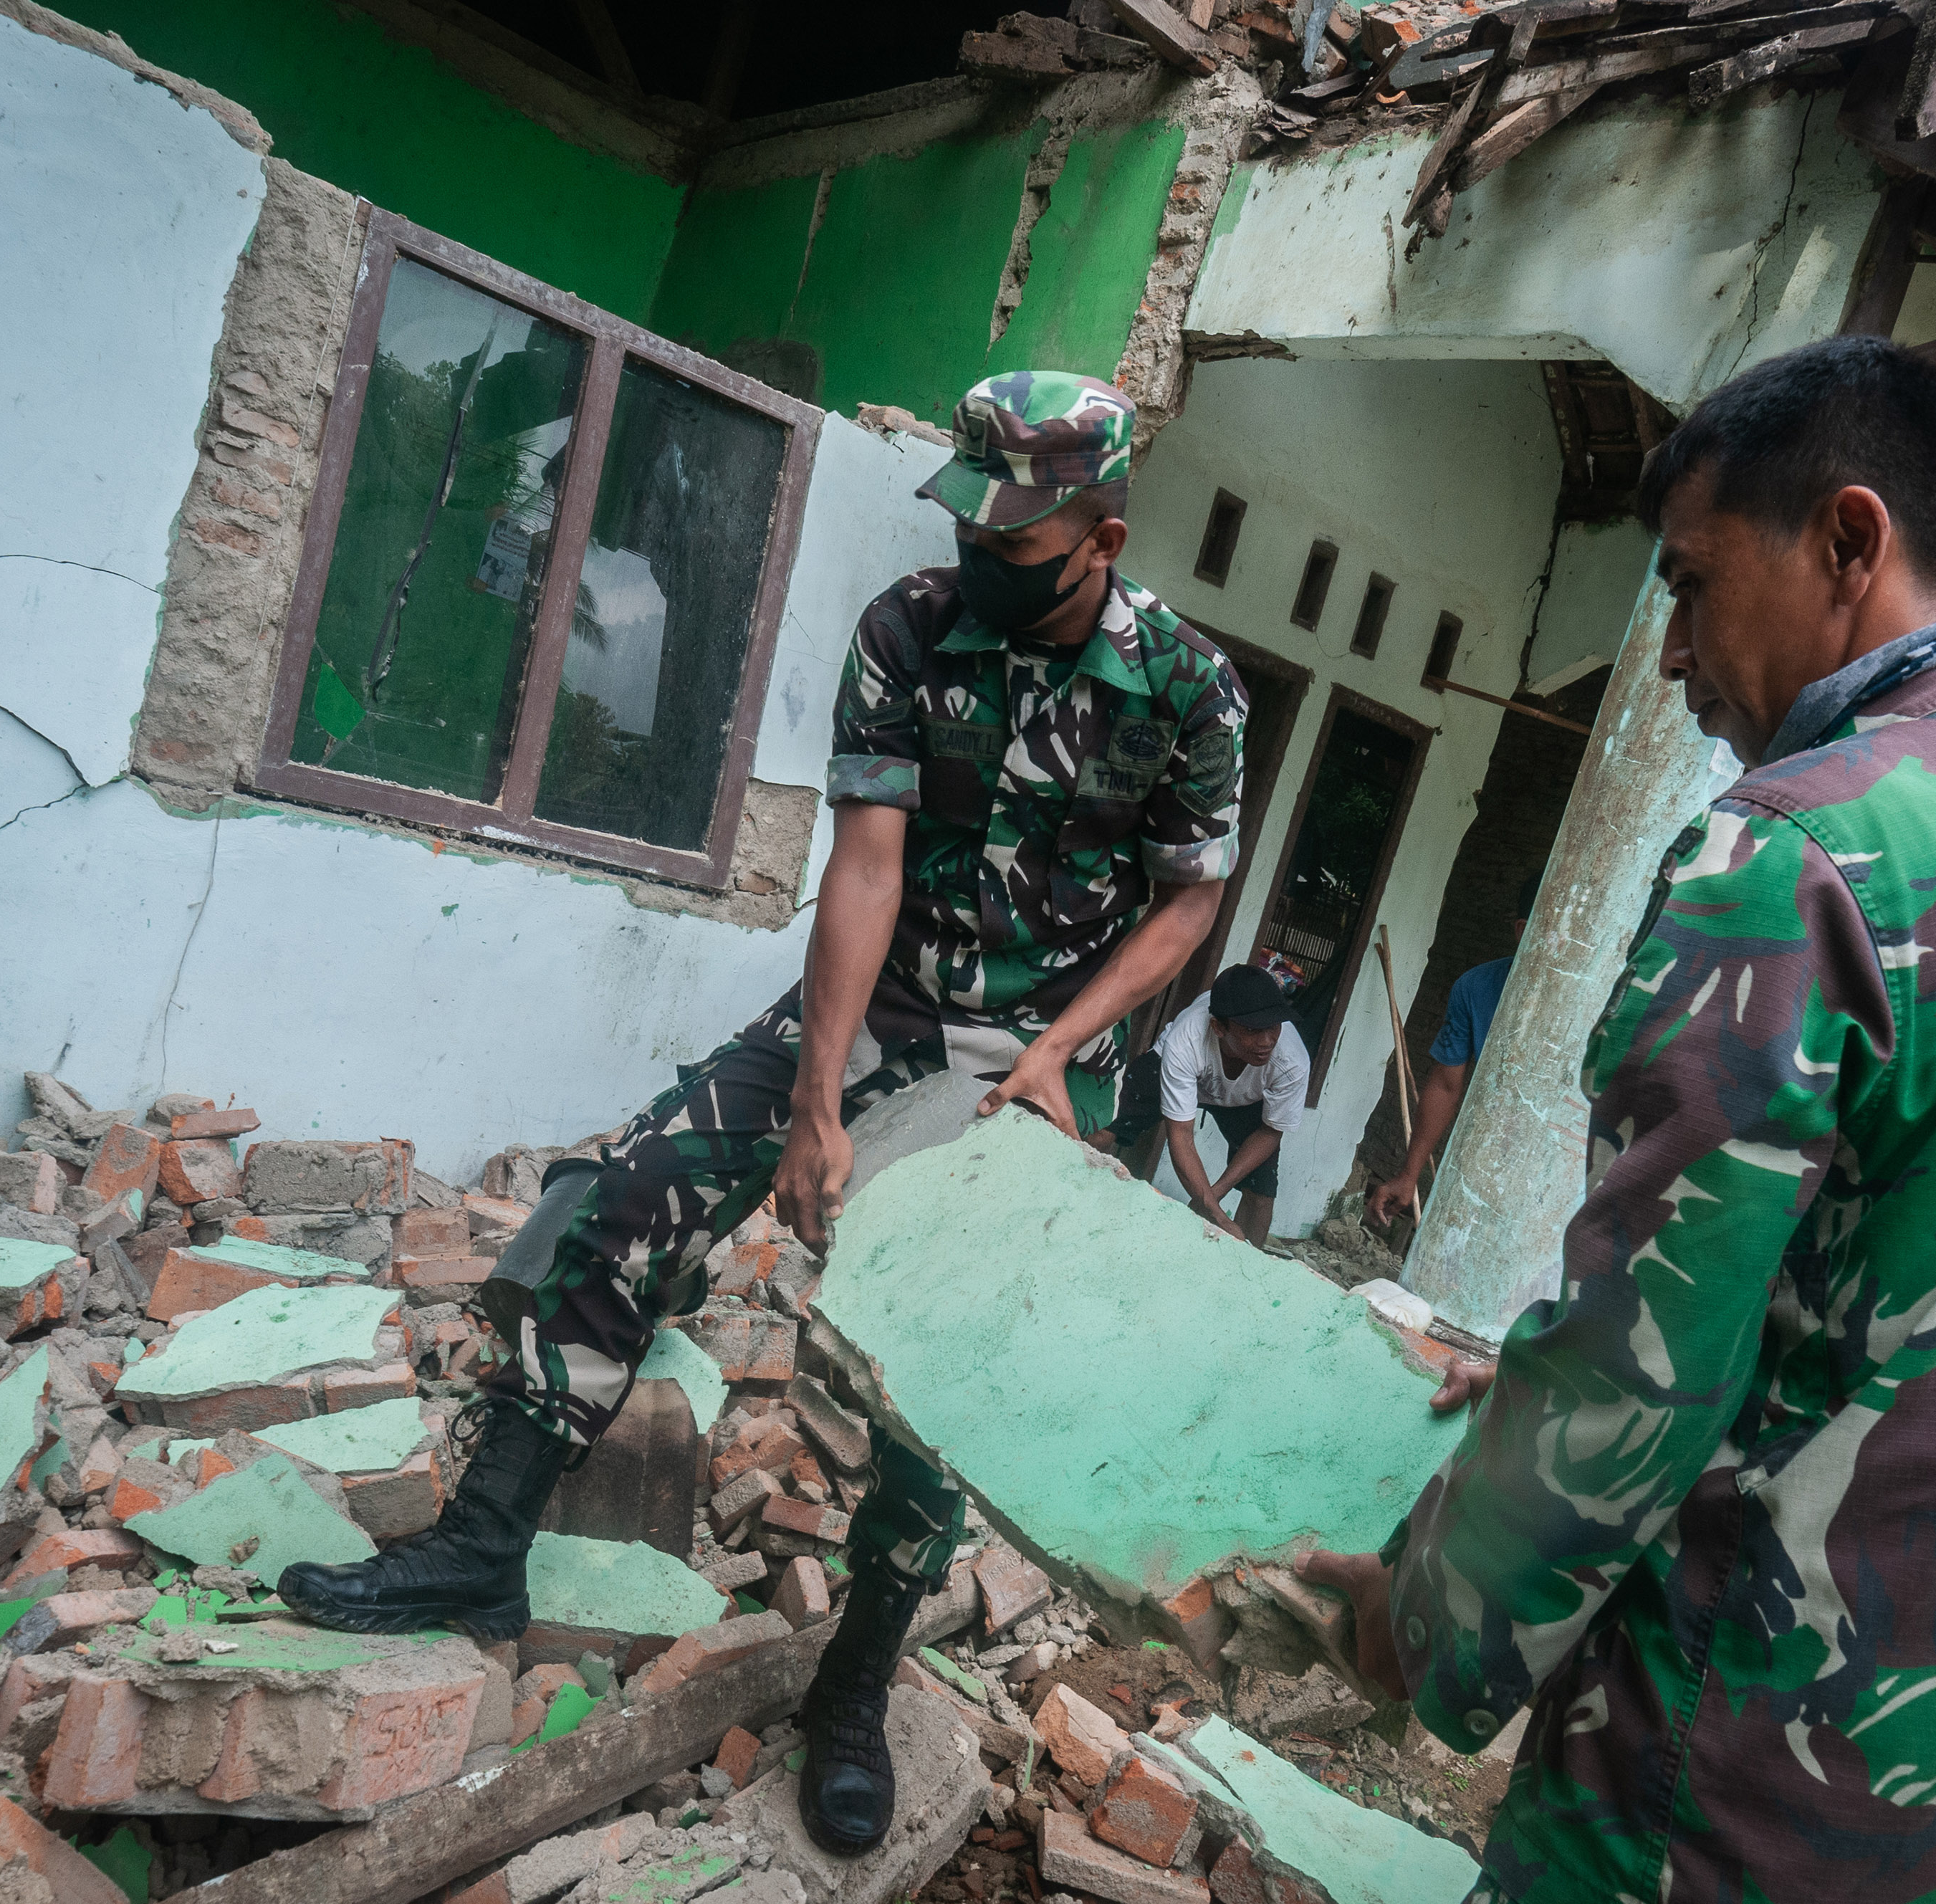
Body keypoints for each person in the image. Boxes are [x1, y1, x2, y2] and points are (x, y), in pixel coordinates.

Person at [1298, 336, 1936, 1900]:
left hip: (1743, 1768)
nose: (1666, 652)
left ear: (1848, 542)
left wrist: (1416, 1619)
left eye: (1686, 582)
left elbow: (1636, 1364)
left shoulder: (1797, 851)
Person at [274, 370, 1247, 1857]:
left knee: (938, 1375)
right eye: (969, 537)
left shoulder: (1190, 690)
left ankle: (851, 1684)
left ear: (1102, 534)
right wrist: (812, 1099)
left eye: (1020, 551)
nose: (982, 569)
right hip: (878, 1003)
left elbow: (1188, 900)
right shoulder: (913, 628)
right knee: (619, 1199)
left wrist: (1059, 1047)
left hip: (1042, 1066)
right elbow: (863, 860)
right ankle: (481, 1546)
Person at [1364, 874, 1535, 1227]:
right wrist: (1409, 1175)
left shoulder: (1612, 1001)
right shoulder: (1476, 989)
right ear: (1522, 931)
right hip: (1490, 1157)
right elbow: (1445, 1085)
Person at [1106, 964, 1308, 1245]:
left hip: (1247, 1099)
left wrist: (1212, 1198)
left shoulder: (1291, 1062)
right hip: (1179, 1067)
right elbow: (1181, 1136)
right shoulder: (1186, 1040)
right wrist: (1217, 1216)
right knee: (1108, 1119)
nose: (1266, 1042)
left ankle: (1246, 1268)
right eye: (1252, 1030)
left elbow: (1271, 1132)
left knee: (1262, 1189)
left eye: (1273, 1027)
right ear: (1218, 1027)